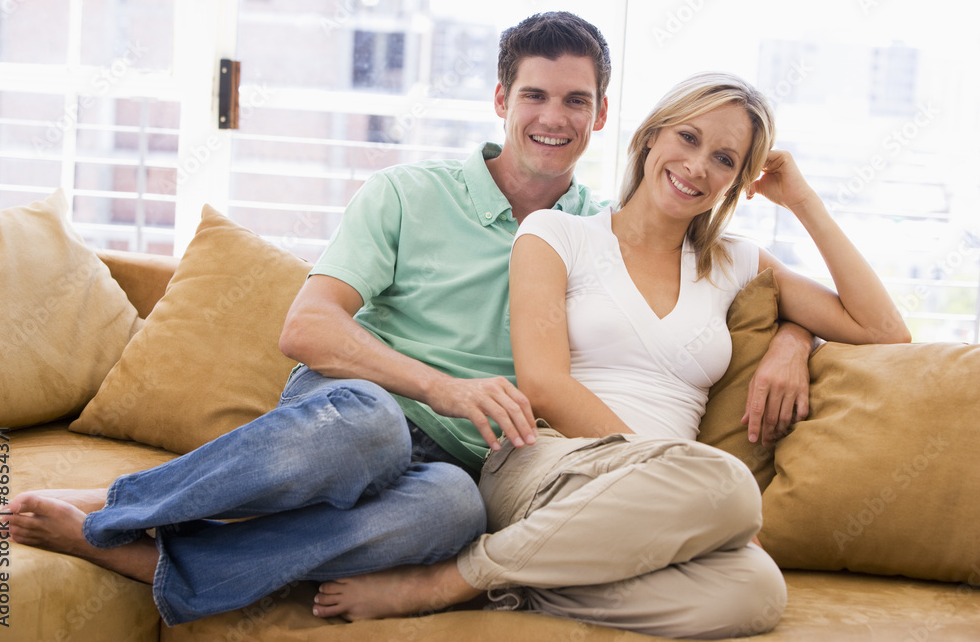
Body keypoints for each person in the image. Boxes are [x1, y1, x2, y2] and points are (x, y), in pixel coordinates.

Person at [0, 15, 812, 627]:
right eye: (534, 95)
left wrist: (790, 335)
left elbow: (734, 277)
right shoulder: (408, 195)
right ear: (500, 98)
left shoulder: (602, 227)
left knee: (450, 515)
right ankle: (124, 507)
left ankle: (149, 557)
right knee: (374, 428)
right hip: (356, 411)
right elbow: (306, 329)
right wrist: (441, 388)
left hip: (458, 469)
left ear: (601, 118)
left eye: (575, 100)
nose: (552, 118)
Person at [309, 72, 912, 638]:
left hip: (661, 498)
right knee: (729, 486)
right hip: (549, 463)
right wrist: (659, 467)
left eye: (725, 159)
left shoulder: (737, 264)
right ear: (650, 139)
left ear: (738, 180)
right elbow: (543, 384)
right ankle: (446, 580)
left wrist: (794, 311)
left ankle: (509, 581)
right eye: (688, 138)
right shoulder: (557, 234)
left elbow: (884, 330)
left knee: (756, 593)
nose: (698, 167)